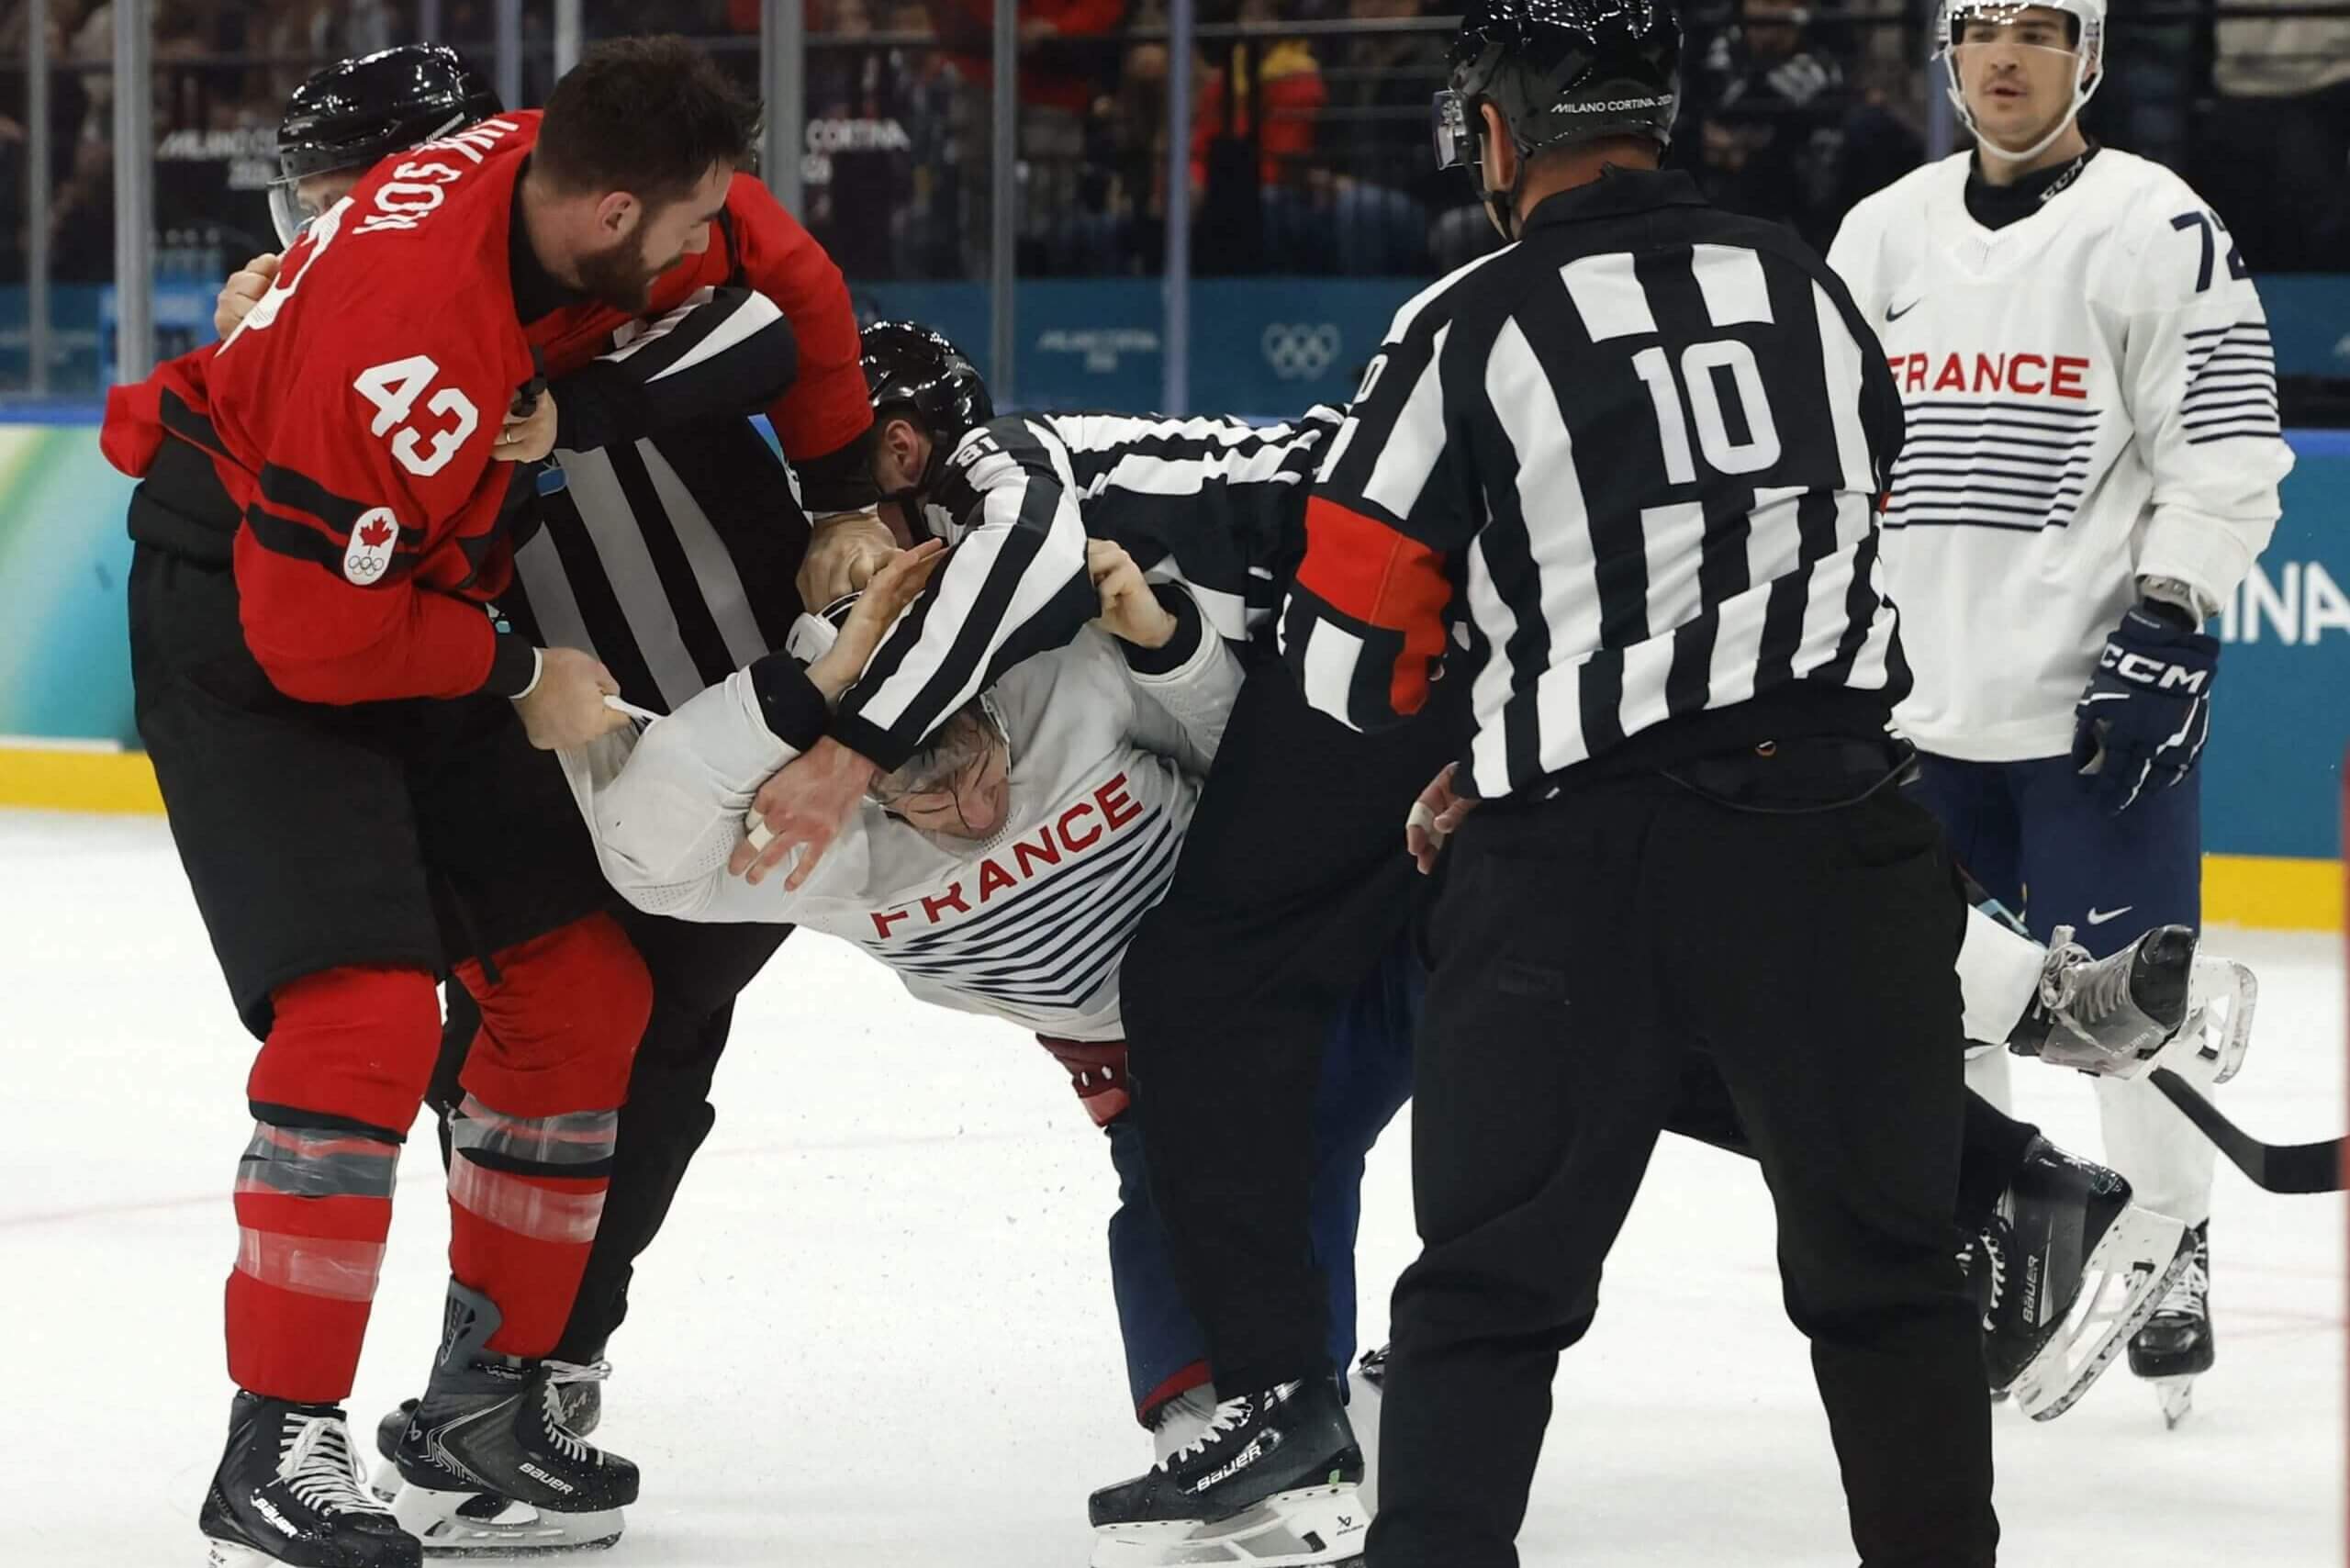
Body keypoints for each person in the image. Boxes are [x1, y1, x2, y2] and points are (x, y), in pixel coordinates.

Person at [1272, 0, 2000, 1559]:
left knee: (1487, 1297)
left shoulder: (1467, 321)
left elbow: (1343, 658)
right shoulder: (1805, 285)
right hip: (1838, 841)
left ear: (1497, 134)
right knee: (1894, 1284)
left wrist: (1500, 716)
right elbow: (1853, 506)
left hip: (1574, 877)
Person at [212, 43, 897, 1537]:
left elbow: (778, 313)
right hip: (537, 720)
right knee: (550, 1026)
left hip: (715, 699)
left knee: (656, 1025)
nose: (322, 228)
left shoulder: (622, 256)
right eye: (307, 208)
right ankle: (512, 1373)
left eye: (339, 194)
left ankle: (540, 1364)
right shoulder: (391, 299)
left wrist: (833, 484)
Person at [104, 39, 767, 1568]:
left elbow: (769, 262)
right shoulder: (402, 338)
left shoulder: (550, 174)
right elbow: (311, 637)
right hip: (258, 618)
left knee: (582, 991)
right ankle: (275, 1445)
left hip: (416, 604)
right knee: (364, 1016)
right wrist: (519, 670)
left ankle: (486, 1404)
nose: (320, 227)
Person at [1826, 0, 2290, 1427]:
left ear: (2087, 56)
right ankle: (1990, 1234)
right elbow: (1829, 458)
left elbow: (2226, 446)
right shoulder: (1880, 236)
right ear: (1948, 54)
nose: (2006, 56)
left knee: (2123, 1008)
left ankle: (2176, 1236)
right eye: (1982, 29)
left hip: (2094, 718)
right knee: (1931, 1016)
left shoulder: (2159, 226)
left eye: (2040, 30)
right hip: (1917, 716)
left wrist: (2175, 612)